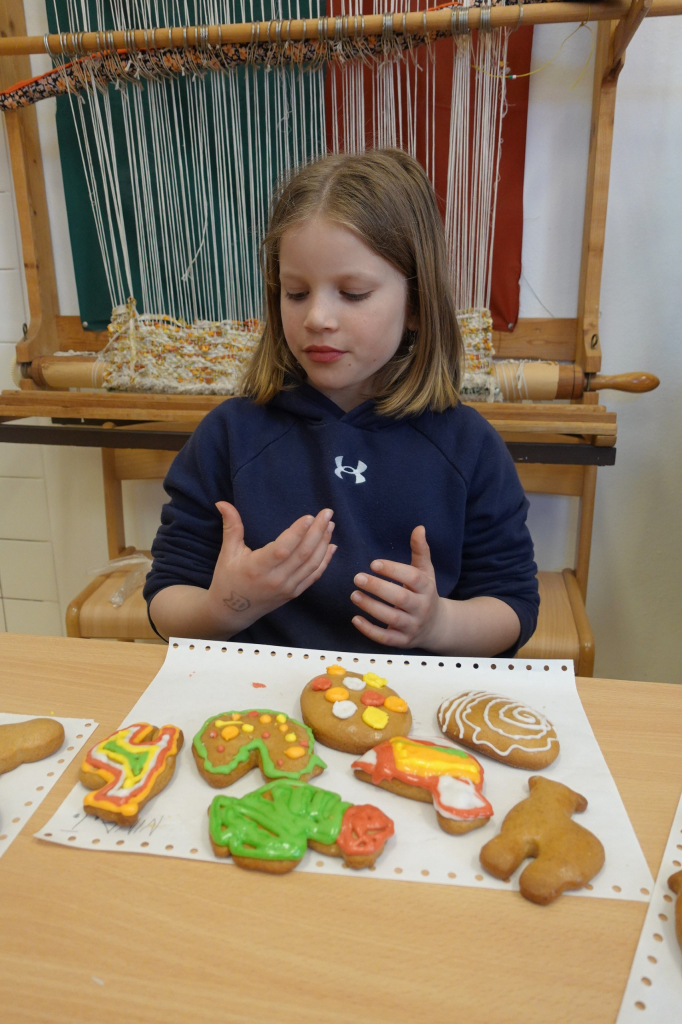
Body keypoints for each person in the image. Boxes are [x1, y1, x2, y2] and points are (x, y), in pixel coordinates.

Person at [144, 148, 539, 656]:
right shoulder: (228, 436)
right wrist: (227, 606)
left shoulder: (469, 446)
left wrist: (439, 624)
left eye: (352, 294)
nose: (317, 318)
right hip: (259, 695)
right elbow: (166, 598)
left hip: (410, 699)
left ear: (416, 305)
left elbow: (512, 606)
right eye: (295, 293)